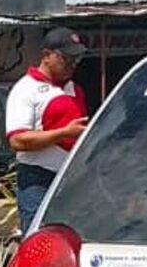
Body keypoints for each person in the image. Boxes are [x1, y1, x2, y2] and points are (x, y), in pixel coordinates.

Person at [5, 27, 91, 233]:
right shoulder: (26, 90)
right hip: (38, 179)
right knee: (40, 236)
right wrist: (63, 133)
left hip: (71, 177)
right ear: (46, 56)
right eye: (67, 58)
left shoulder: (74, 89)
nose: (72, 64)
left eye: (76, 59)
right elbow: (17, 140)